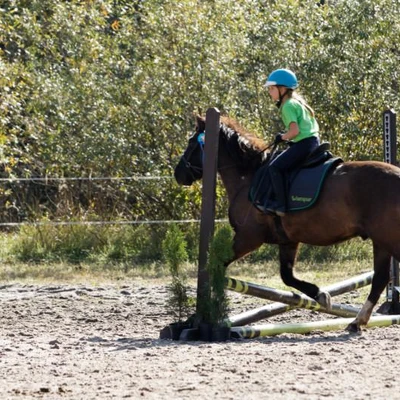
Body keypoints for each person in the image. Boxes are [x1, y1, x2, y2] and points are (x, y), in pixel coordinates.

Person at [264, 68, 320, 216]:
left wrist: (282, 137)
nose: (269, 92)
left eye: (271, 88)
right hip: (313, 142)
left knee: (274, 167)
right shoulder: (297, 102)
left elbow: (294, 131)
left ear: (282, 89)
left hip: (304, 144)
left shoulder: (287, 106)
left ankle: (281, 205)